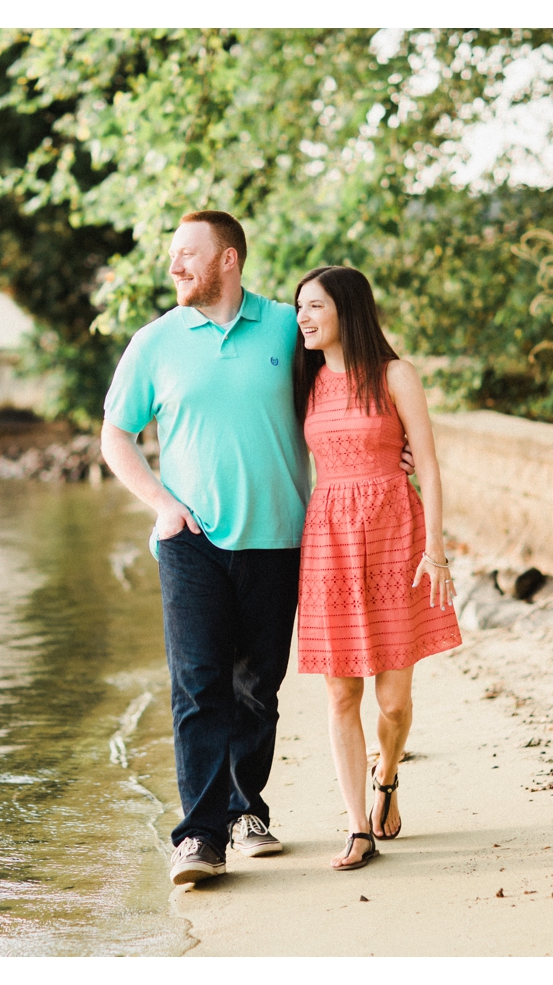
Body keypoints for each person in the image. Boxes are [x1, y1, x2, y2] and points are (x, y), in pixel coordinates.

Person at [100, 211, 312, 886]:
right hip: (191, 539)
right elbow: (115, 434)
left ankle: (247, 808)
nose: (174, 266)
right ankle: (199, 834)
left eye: (187, 253)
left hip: (278, 537)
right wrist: (163, 503)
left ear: (228, 258)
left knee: (259, 686)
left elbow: (347, 377)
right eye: (172, 255)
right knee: (198, 685)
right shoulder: (156, 342)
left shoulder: (284, 326)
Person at [292, 265, 462, 872]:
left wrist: (434, 549)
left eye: (313, 306)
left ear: (347, 309)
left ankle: (387, 771)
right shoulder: (304, 380)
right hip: (330, 542)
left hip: (394, 534)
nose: (303, 318)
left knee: (392, 701)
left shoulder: (395, 376)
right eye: (298, 309)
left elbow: (431, 467)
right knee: (341, 693)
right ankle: (356, 826)